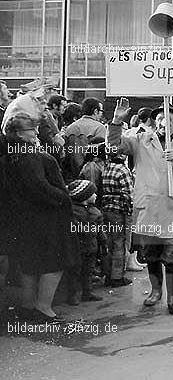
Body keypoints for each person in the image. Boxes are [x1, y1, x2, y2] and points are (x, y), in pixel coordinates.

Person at [108, 99, 173, 315]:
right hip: (149, 207)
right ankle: (155, 291)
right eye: (159, 118)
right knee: (151, 254)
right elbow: (114, 145)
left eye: (169, 119)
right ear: (154, 122)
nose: (163, 122)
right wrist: (116, 121)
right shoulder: (141, 139)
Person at [4, 113, 76, 322]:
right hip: (47, 218)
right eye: (31, 129)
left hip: (25, 218)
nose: (36, 132)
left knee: (30, 265)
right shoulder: (30, 155)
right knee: (54, 263)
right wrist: (63, 197)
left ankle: (28, 308)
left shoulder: (11, 155)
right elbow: (39, 187)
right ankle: (44, 309)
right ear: (18, 133)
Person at [66, 179, 103, 304]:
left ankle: (87, 292)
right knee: (75, 271)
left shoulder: (95, 212)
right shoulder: (73, 212)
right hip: (78, 247)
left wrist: (103, 241)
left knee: (88, 270)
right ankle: (74, 294)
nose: (96, 195)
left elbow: (100, 229)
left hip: (91, 247)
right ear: (85, 196)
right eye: (93, 193)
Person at [101, 153, 135, 287]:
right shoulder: (123, 170)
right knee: (119, 243)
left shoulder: (107, 168)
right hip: (119, 210)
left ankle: (107, 275)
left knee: (109, 242)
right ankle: (117, 277)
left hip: (107, 208)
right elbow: (129, 193)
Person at [63, 97, 107, 181]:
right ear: (95, 111)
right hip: (93, 175)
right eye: (101, 112)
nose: (101, 115)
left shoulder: (70, 128)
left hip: (72, 174)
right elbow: (101, 155)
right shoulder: (100, 128)